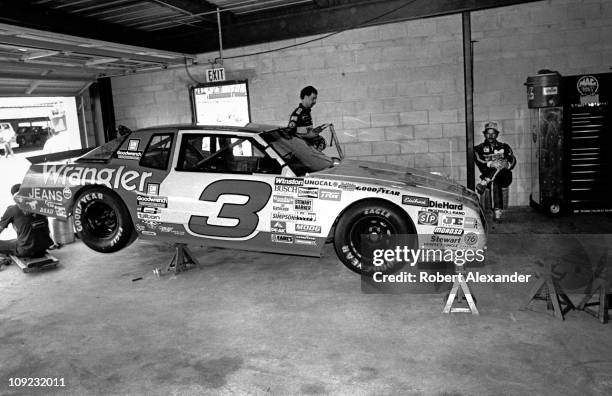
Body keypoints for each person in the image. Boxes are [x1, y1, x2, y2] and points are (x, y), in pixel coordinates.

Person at [0, 184, 54, 264]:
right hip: (45, 246)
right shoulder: (40, 204)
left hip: (26, 250)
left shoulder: (11, 210)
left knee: (11, 243)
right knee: (16, 240)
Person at [474, 121, 517, 222]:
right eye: (488, 133)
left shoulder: (504, 146)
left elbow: (513, 159)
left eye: (493, 133)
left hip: (505, 176)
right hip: (490, 176)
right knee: (495, 180)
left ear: (497, 134)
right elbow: (479, 161)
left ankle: (484, 182)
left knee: (501, 163)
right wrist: (491, 164)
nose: (490, 136)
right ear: (484, 134)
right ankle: (497, 212)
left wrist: (507, 164)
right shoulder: (478, 148)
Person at [288, 86, 326, 151]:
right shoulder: (297, 113)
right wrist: (306, 136)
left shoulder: (307, 111)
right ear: (306, 97)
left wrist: (317, 130)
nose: (315, 101)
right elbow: (290, 134)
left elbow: (306, 130)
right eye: (313, 98)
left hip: (308, 147)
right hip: (302, 149)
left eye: (315, 99)